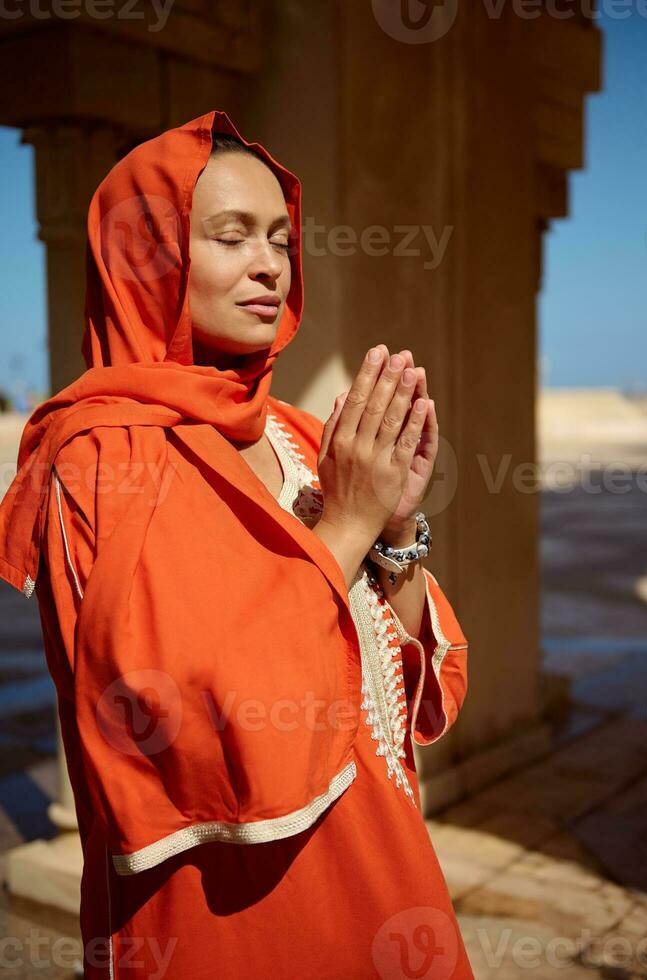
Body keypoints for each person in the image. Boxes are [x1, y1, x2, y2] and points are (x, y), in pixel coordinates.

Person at [0, 109, 474, 979]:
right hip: (231, 914)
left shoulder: (299, 438)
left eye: (281, 241)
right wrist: (348, 526)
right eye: (230, 236)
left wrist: (397, 534)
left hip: (385, 876)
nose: (270, 265)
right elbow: (185, 721)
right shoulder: (98, 461)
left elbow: (392, 690)